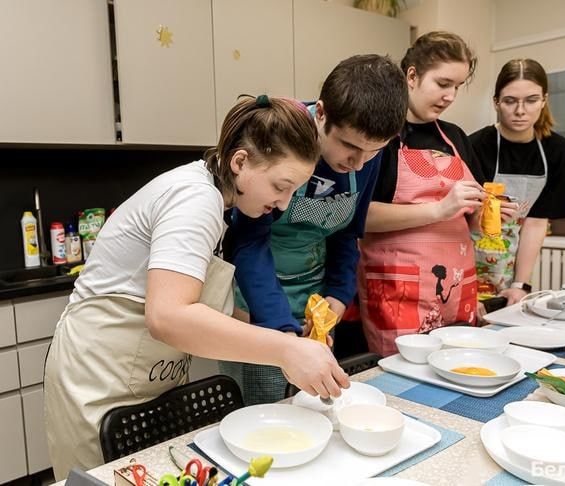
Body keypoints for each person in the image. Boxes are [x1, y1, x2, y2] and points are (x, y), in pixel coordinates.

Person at [43, 96, 350, 480]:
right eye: (280, 185)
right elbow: (168, 316)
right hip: (99, 376)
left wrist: (291, 344)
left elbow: (205, 306)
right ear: (240, 162)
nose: (284, 204)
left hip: (147, 372)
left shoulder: (219, 204)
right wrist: (286, 349)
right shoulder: (194, 198)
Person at [225, 54, 409, 403]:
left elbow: (347, 231)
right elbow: (249, 242)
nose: (358, 162)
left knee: (311, 410)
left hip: (312, 296)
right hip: (256, 296)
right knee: (265, 409)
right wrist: (282, 333)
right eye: (350, 146)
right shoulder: (281, 135)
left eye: (374, 151)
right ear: (321, 113)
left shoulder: (369, 152)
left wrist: (337, 297)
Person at [356, 32, 518, 357]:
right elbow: (361, 217)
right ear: (412, 76)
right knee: (406, 382)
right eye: (443, 83)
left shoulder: (455, 137)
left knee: (460, 373)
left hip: (457, 288)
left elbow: (466, 219)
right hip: (399, 292)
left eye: (457, 86)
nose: (450, 96)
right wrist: (439, 209)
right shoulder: (383, 137)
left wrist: (485, 214)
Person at [470, 59, 565, 310]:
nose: (520, 111)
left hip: (515, 264)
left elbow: (536, 222)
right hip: (467, 260)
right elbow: (462, 220)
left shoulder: (557, 151)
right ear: (496, 102)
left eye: (531, 100)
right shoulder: (475, 145)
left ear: (544, 100)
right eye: (509, 101)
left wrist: (520, 284)